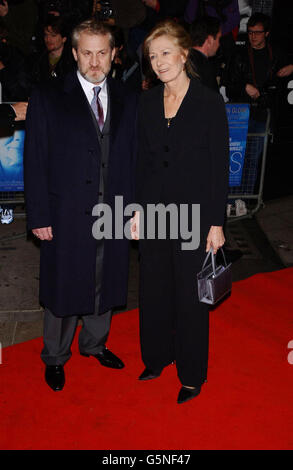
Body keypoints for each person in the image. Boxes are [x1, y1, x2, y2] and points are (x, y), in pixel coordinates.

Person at [24, 19, 138, 392]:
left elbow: (134, 157)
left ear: (114, 54)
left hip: (114, 209)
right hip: (66, 211)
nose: (94, 61)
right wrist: (39, 215)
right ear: (74, 53)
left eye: (102, 52)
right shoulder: (48, 95)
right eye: (86, 53)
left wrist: (135, 208)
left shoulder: (127, 96)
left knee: (105, 280)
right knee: (63, 285)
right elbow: (36, 159)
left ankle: (94, 344)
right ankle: (55, 356)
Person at [131, 19, 229, 404]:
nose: (158, 62)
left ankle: (191, 374)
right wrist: (136, 211)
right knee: (153, 289)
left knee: (191, 296)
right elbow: (143, 162)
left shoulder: (207, 101)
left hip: (195, 215)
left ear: (184, 54)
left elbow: (219, 165)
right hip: (154, 213)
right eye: (152, 56)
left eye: (166, 53)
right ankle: (156, 358)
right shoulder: (147, 102)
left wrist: (217, 222)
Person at [189, 15, 221, 92]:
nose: (219, 44)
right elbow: (213, 100)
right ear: (210, 40)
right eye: (218, 39)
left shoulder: (182, 60)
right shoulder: (205, 68)